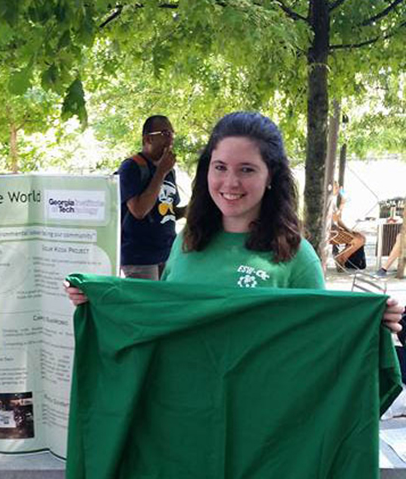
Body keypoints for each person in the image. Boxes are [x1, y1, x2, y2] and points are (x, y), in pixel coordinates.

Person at [65, 111, 403, 332]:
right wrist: (100, 302)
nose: (230, 183)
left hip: (259, 429)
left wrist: (370, 322)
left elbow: (323, 340)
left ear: (271, 177)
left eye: (247, 169)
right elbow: (159, 320)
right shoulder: (185, 244)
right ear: (206, 170)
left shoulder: (296, 258)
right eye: (220, 167)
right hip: (189, 421)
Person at [118, 115, 185, 280]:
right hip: (140, 257)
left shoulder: (169, 171)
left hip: (167, 252)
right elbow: (139, 210)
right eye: (165, 133)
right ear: (147, 138)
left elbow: (168, 213)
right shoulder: (131, 167)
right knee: (146, 304)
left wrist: (195, 207)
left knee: (166, 303)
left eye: (172, 134)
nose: (170, 140)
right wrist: (161, 171)